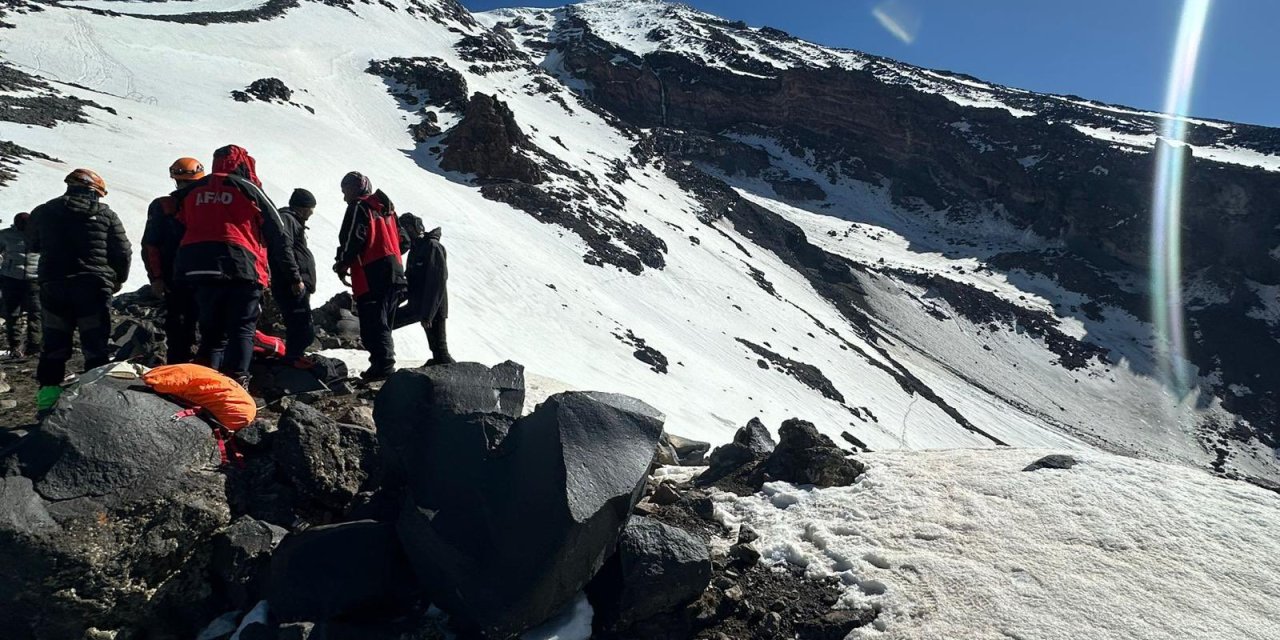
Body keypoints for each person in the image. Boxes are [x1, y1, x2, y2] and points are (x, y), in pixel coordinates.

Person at [173, 145, 302, 386]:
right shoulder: (247, 188)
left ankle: (204, 383)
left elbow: (181, 225)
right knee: (242, 328)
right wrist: (293, 275)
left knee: (212, 332)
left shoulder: (193, 190)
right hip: (241, 267)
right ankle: (236, 381)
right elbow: (278, 232)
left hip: (199, 269)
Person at [27, 169, 131, 411]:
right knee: (95, 344)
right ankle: (96, 403)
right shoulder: (106, 214)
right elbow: (122, 251)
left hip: (53, 285)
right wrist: (117, 280)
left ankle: (47, 401)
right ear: (95, 192)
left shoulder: (44, 211)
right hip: (93, 287)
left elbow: (32, 244)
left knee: (54, 343)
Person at [333, 171, 405, 381]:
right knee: (384, 321)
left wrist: (342, 263)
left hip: (372, 271)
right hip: (395, 270)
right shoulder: (387, 211)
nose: (345, 196)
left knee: (373, 322)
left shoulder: (359, 207)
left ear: (355, 189)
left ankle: (383, 367)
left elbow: (352, 239)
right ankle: (382, 365)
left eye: (345, 190)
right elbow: (404, 240)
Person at [141, 157, 205, 363]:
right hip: (205, 276)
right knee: (206, 327)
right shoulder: (210, 204)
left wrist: (156, 278)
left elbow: (151, 245)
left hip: (175, 276)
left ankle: (178, 368)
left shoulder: (163, 205)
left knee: (179, 327)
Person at [395, 213, 454, 365]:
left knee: (440, 349)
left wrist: (429, 314)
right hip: (419, 305)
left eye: (404, 228)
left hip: (432, 307)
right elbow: (411, 280)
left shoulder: (432, 247)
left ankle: (455, 378)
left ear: (414, 228)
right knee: (437, 349)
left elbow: (437, 282)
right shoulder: (417, 249)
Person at [275, 188, 317, 365]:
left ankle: (295, 357)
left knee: (300, 324)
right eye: (310, 210)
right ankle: (293, 360)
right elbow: (284, 248)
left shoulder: (292, 221)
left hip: (295, 282)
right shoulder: (287, 220)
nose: (311, 214)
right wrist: (295, 278)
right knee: (300, 326)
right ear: (302, 208)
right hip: (291, 283)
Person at [0, 212, 40, 358]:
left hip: (32, 279)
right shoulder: (5, 235)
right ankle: (16, 346)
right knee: (13, 313)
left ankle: (33, 345)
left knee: (35, 313)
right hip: (12, 278)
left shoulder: (39, 234)